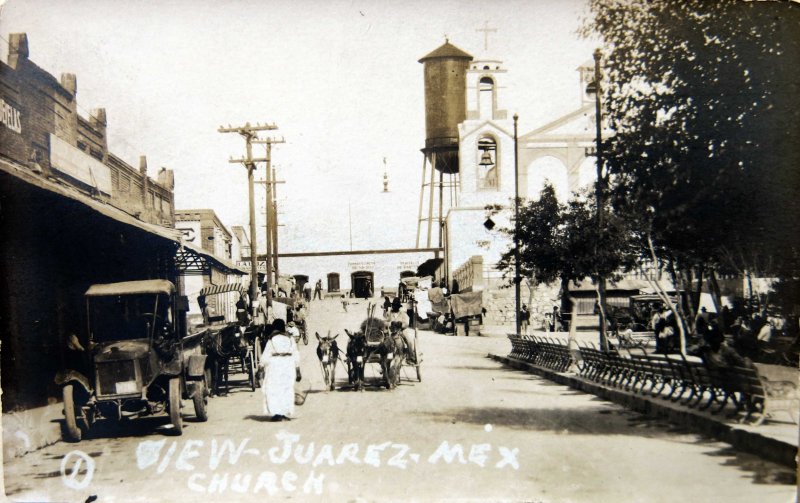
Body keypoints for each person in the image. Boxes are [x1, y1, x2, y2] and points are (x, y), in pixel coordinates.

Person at [259, 319, 301, 421]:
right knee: (286, 388)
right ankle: (284, 413)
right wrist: (298, 369)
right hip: (288, 364)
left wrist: (261, 367)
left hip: (276, 364)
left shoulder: (271, 339)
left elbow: (266, 353)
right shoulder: (290, 338)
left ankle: (277, 413)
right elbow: (295, 353)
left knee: (274, 389)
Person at [386, 297, 417, 364]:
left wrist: (400, 324)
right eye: (393, 305)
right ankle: (384, 360)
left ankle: (411, 357)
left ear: (399, 307)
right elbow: (385, 322)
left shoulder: (403, 314)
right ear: (392, 305)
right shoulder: (388, 313)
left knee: (409, 340)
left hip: (401, 330)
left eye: (396, 306)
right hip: (391, 331)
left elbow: (406, 323)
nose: (394, 307)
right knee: (384, 342)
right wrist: (390, 323)